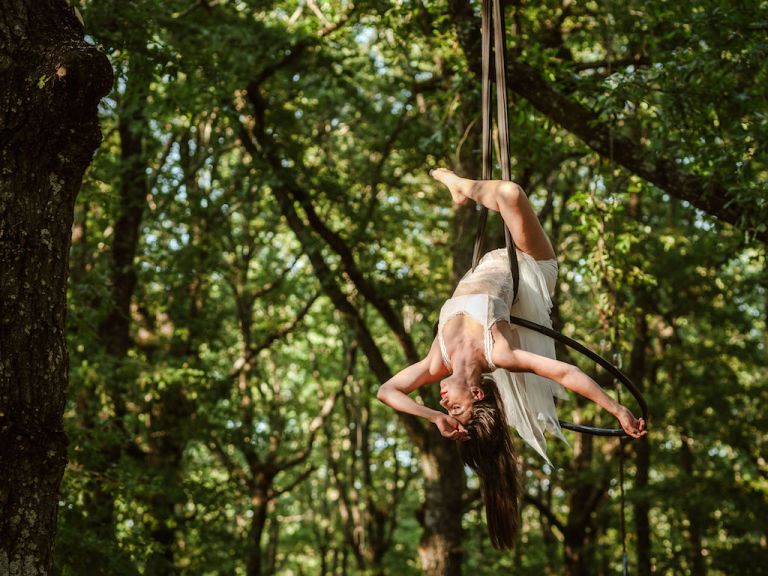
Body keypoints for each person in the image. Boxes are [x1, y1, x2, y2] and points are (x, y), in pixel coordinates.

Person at [377, 168, 647, 549]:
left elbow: (387, 391)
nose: (443, 403)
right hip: (530, 267)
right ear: (478, 394)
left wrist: (434, 418)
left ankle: (463, 190)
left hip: (493, 262)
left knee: (507, 195)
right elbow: (566, 373)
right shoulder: (498, 352)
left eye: (446, 410)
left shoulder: (437, 362)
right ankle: (461, 187)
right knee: (510, 193)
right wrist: (616, 408)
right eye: (456, 409)